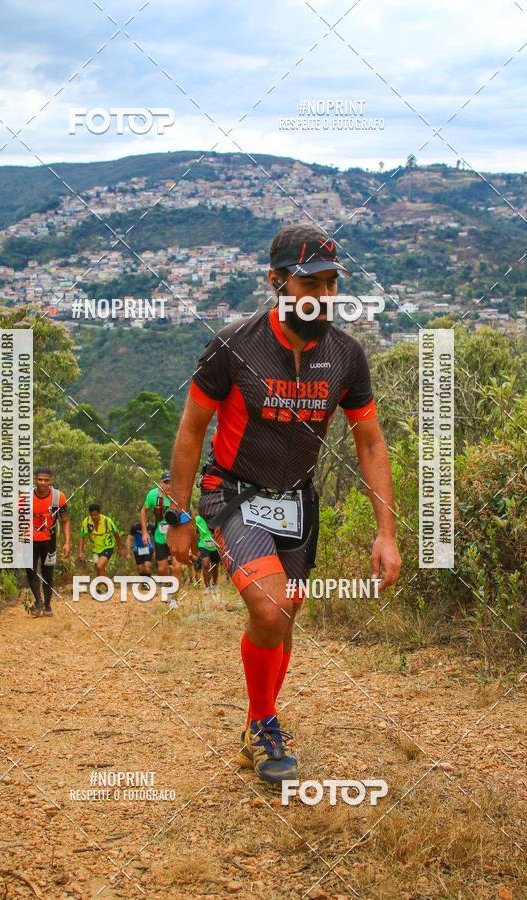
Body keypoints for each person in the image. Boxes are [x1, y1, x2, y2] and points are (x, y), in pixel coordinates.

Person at [166, 224, 401, 785]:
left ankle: (256, 727)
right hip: (232, 493)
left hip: (298, 501)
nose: (321, 295)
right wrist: (177, 518)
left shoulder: (346, 355)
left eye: (329, 283)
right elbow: (191, 428)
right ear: (276, 282)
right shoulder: (233, 345)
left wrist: (386, 532)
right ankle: (267, 722)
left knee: (284, 618)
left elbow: (370, 442)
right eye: (308, 283)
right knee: (269, 609)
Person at [24, 467, 70, 617]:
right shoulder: (26, 496)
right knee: (30, 570)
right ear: (34, 479)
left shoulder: (58, 497)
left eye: (46, 480)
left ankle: (48, 604)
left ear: (51, 481)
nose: (42, 483)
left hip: (49, 539)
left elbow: (65, 520)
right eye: (39, 479)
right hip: (30, 538)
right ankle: (38, 602)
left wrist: (67, 542)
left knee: (48, 571)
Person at [141, 472, 182, 589]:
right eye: (166, 482)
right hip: (160, 537)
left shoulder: (180, 495)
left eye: (171, 483)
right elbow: (143, 511)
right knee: (162, 569)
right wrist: (144, 532)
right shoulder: (153, 494)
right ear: (161, 483)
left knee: (177, 567)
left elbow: (190, 513)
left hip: (176, 537)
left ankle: (174, 596)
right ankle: (167, 586)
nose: (168, 486)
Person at [78, 503, 121, 575]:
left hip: (107, 546)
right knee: (98, 568)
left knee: (99, 565)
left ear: (99, 513)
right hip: (95, 549)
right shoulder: (86, 521)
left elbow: (116, 534)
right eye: (92, 515)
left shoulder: (107, 521)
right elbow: (82, 537)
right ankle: (103, 583)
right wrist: (80, 552)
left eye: (95, 515)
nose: (94, 517)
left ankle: (102, 585)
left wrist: (119, 548)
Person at [195, 511, 221, 596]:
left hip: (216, 544)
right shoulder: (198, 519)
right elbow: (191, 530)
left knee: (215, 565)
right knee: (205, 564)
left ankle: (215, 584)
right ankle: (207, 587)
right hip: (203, 544)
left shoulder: (216, 515)